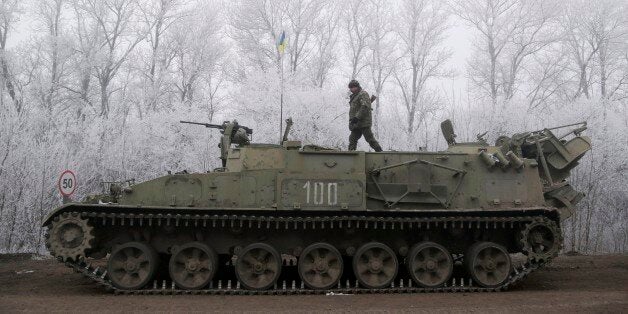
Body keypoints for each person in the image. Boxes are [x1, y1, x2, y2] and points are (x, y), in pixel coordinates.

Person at [347, 79, 382, 152]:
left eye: (353, 87)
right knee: (352, 139)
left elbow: (365, 106)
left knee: (369, 139)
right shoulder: (354, 96)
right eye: (350, 88)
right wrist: (353, 120)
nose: (351, 89)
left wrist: (357, 117)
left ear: (357, 87)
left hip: (363, 123)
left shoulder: (363, 94)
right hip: (356, 124)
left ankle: (380, 153)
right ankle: (350, 155)